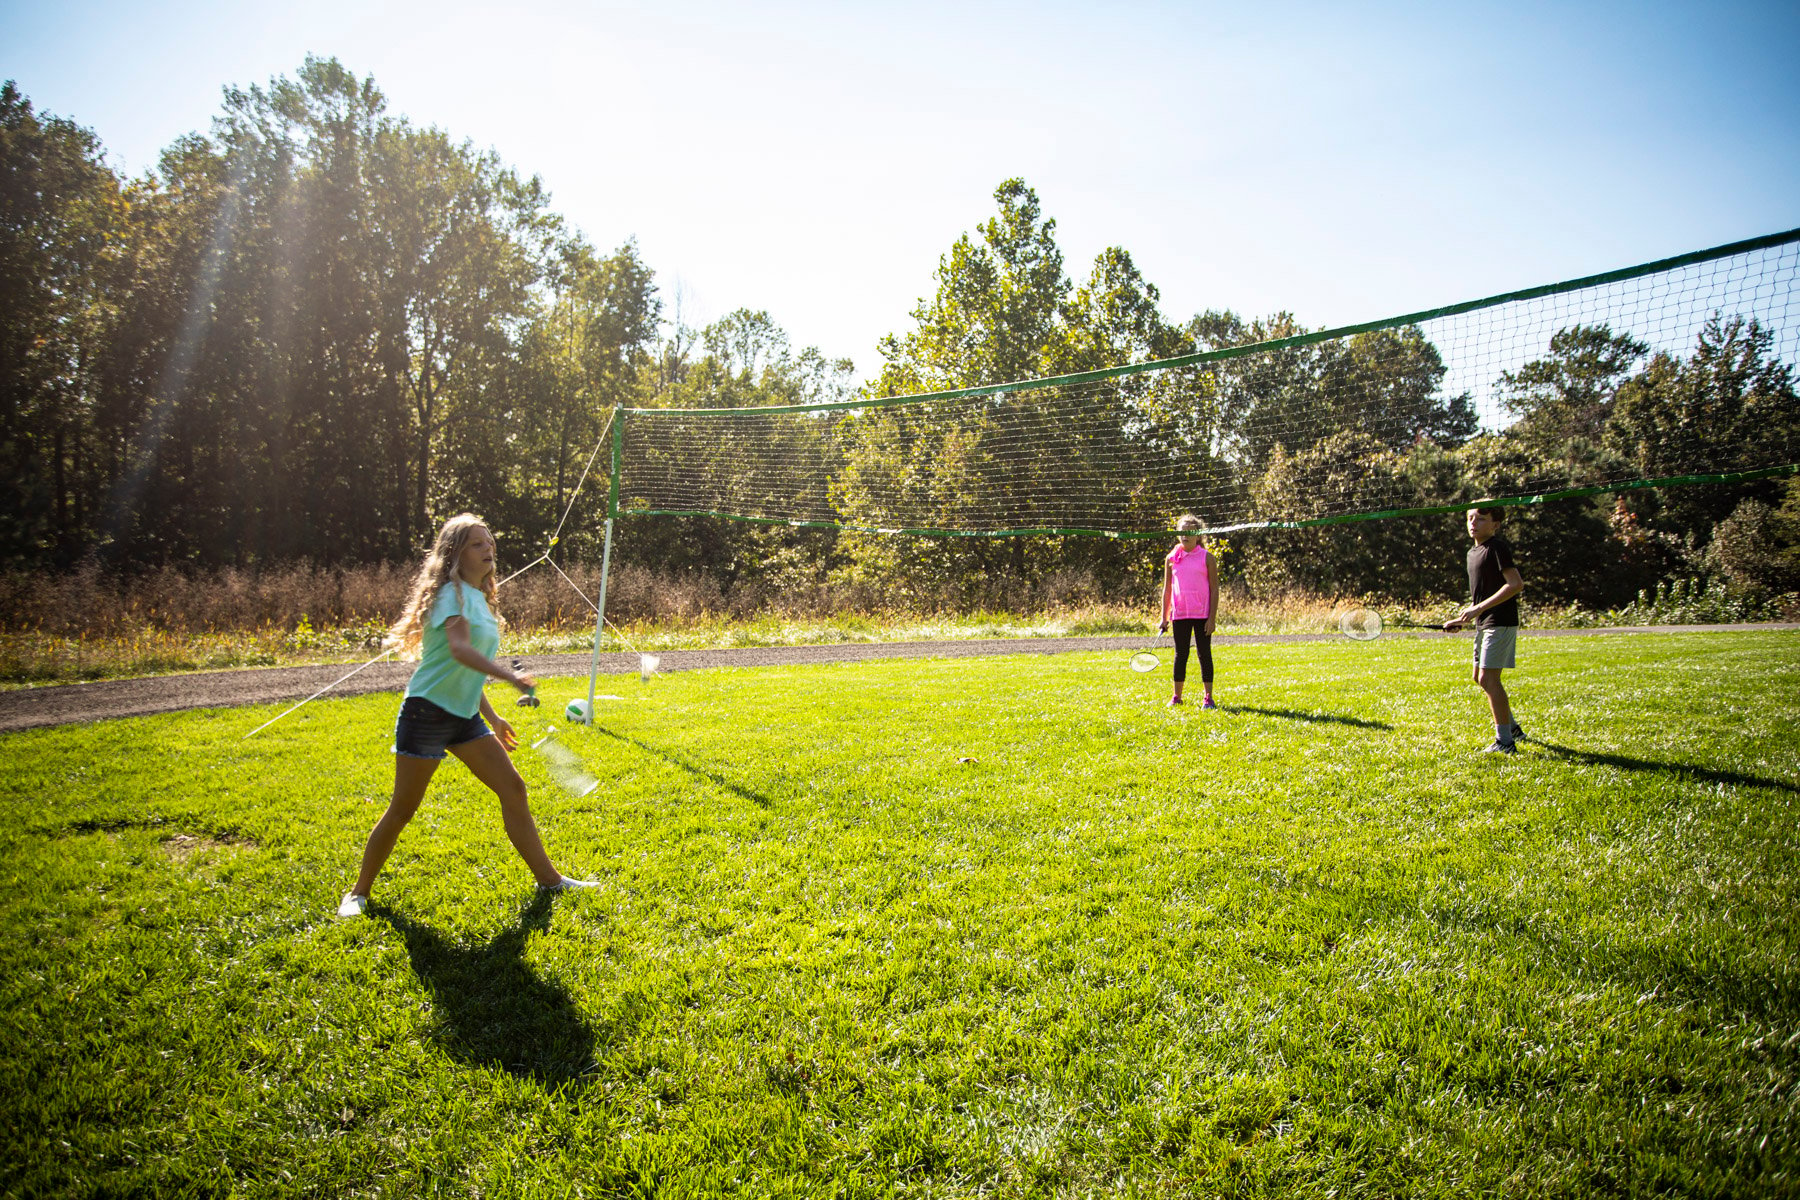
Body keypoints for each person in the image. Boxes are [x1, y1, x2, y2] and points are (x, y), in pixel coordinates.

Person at [338, 513, 594, 917]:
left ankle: (550, 881)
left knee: (513, 789)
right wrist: (510, 677)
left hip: (463, 717)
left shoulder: (479, 598)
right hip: (426, 713)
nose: (488, 549)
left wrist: (492, 717)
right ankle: (357, 893)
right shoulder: (449, 595)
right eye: (477, 544)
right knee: (403, 809)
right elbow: (458, 650)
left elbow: (467, 669)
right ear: (456, 552)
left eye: (490, 542)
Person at [1444, 506, 1527, 754]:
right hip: (1485, 621)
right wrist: (1464, 618)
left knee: (1490, 679)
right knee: (1479, 678)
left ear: (1495, 525)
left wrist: (1477, 609)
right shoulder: (1473, 552)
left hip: (1500, 621)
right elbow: (1483, 594)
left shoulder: (1496, 548)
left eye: (1481, 519)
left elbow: (1515, 584)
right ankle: (1512, 729)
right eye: (1470, 518)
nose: (1473, 523)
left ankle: (1505, 742)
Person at [1158, 513, 1219, 709]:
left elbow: (1214, 589)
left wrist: (1212, 618)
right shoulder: (1171, 558)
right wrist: (1164, 617)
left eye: (1190, 532)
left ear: (1198, 535)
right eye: (1182, 532)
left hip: (1202, 615)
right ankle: (1177, 697)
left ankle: (1208, 698)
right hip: (1180, 614)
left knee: (1204, 654)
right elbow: (1167, 590)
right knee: (1180, 654)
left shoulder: (1207, 558)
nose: (1185, 536)